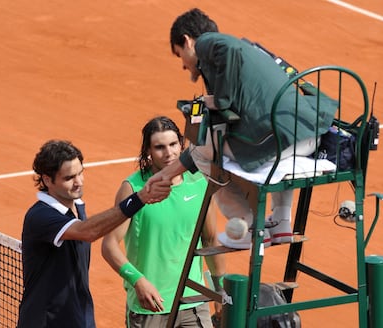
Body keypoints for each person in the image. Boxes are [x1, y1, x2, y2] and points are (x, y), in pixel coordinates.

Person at [148, 8, 337, 249]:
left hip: (284, 140)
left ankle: (249, 226)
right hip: (308, 135)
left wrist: (221, 100)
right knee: (238, 145)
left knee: (202, 151)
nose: (184, 66)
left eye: (179, 55)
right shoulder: (246, 53)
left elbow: (230, 51)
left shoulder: (208, 43)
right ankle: (280, 222)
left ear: (187, 41)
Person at [17, 139, 171, 328]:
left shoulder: (77, 207)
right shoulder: (41, 216)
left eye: (80, 173)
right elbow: (88, 231)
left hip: (79, 318)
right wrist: (139, 198)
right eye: (69, 178)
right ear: (48, 179)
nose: (78, 182)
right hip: (46, 322)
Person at [101, 116, 226, 327]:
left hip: (193, 301)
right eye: (159, 147)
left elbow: (210, 239)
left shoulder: (200, 182)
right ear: (148, 151)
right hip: (151, 306)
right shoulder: (133, 189)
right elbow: (109, 245)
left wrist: (220, 289)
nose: (169, 153)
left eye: (173, 144)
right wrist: (137, 281)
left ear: (181, 144)